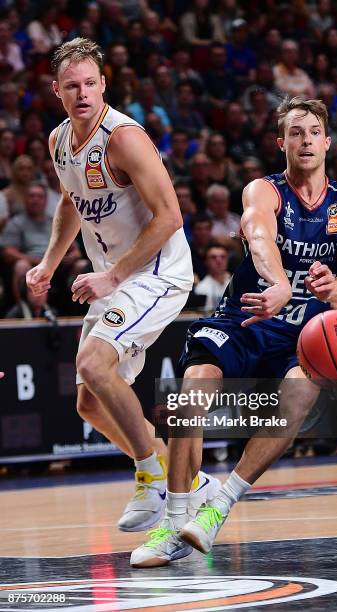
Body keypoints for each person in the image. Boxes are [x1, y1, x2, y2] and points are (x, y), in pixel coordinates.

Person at [131, 96, 337, 567]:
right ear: (281, 142)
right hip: (245, 319)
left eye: (313, 131)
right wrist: (280, 281)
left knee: (302, 388)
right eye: (295, 132)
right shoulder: (264, 190)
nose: (305, 140)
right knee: (195, 385)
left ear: (328, 141)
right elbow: (258, 234)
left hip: (297, 336)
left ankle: (218, 507)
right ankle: (173, 520)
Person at [26, 38, 220, 534]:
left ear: (104, 85)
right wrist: (49, 262)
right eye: (72, 86)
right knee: (90, 399)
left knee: (93, 362)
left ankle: (152, 476)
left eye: (91, 83)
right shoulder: (58, 141)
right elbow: (71, 202)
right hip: (116, 276)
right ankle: (191, 485)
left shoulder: (124, 138)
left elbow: (171, 216)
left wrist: (112, 275)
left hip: (156, 271)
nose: (83, 93)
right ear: (57, 91)